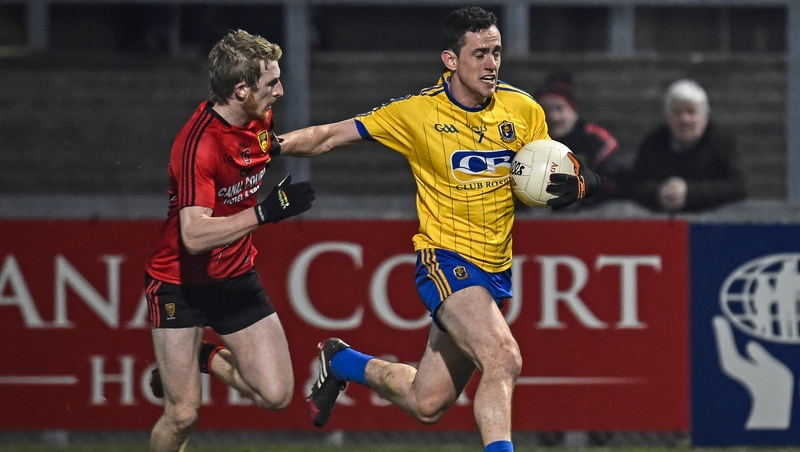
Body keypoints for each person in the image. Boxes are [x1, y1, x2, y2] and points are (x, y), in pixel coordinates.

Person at [277, 7, 600, 452]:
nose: (492, 63)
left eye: (497, 52)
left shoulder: (523, 110)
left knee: (425, 402)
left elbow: (550, 170)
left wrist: (584, 181)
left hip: (493, 274)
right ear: (451, 60)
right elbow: (330, 135)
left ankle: (342, 362)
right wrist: (270, 145)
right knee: (503, 360)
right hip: (445, 261)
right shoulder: (417, 114)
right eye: (480, 53)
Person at [143, 29, 315, 452]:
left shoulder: (259, 119)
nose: (281, 90)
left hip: (235, 277)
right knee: (182, 414)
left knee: (276, 395)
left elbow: (282, 144)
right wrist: (264, 213)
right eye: (271, 82)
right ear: (241, 90)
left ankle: (203, 357)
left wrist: (360, 130)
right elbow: (194, 235)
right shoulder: (198, 145)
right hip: (178, 285)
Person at [626, 78, 746, 212]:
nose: (684, 119)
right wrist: (659, 193)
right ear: (668, 117)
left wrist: (690, 193)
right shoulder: (653, 142)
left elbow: (738, 186)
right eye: (677, 112)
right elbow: (633, 185)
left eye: (691, 112)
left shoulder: (722, 141)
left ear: (705, 117)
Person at [535, 71, 628, 207]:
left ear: (573, 111)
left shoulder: (597, 140)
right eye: (546, 110)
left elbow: (616, 183)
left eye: (560, 109)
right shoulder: (530, 142)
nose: (553, 117)